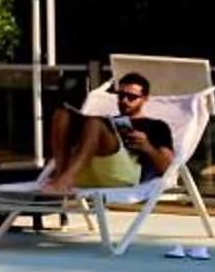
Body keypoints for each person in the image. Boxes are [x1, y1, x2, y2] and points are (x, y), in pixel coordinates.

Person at [28, 71, 173, 193]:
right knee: (62, 114)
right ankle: (61, 175)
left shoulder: (156, 126)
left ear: (145, 99)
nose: (124, 100)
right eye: (120, 95)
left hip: (123, 176)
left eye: (132, 97)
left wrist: (147, 147)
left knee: (94, 123)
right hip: (87, 172)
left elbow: (168, 167)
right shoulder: (108, 121)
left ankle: (66, 179)